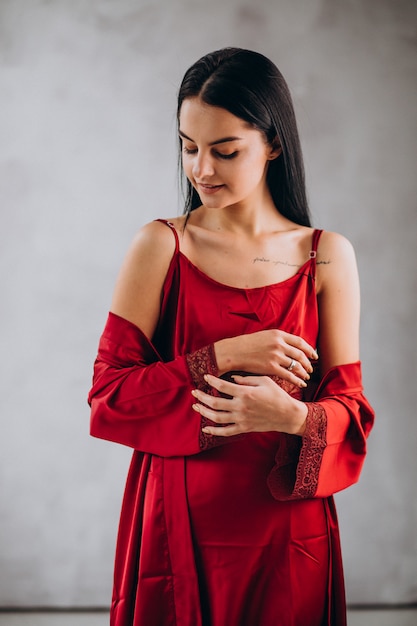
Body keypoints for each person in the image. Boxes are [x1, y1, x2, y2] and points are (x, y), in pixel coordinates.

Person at [88, 47, 374, 626]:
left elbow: (352, 408)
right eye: (188, 147)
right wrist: (222, 355)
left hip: (287, 531)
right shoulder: (161, 245)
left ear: (273, 144)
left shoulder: (326, 256)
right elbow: (108, 397)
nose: (201, 170)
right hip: (177, 528)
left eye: (225, 150)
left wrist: (292, 417)